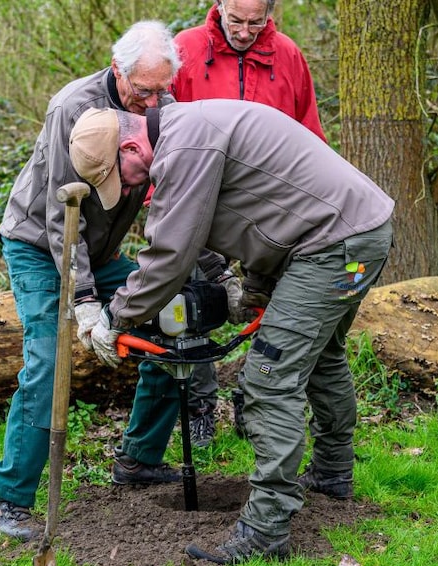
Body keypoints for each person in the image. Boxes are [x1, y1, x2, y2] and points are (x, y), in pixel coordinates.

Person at [68, 99, 394, 564]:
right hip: (352, 234)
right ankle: (332, 473)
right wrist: (257, 290)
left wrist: (114, 318)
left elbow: (170, 255)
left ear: (132, 145)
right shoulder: (193, 129)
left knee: (267, 376)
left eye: (124, 176)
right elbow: (268, 211)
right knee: (323, 357)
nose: (131, 187)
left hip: (333, 247)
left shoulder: (186, 145)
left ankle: (265, 532)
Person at [0, 21, 208, 542]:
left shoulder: (163, 108)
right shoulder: (73, 108)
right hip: (41, 246)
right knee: (49, 361)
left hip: (103, 249)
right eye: (143, 90)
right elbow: (62, 217)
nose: (153, 101)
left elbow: (181, 192)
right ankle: (10, 497)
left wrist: (201, 267)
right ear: (117, 70)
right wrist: (84, 300)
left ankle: (138, 459)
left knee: (168, 325)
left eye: (162, 90)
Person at [171, 0, 327, 448]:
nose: (243, 31)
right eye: (235, 21)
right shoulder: (185, 51)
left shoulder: (289, 56)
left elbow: (309, 135)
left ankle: (250, 395)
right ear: (217, 7)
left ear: (270, 14)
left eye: (254, 23)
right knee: (194, 309)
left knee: (272, 312)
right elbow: (158, 134)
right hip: (200, 207)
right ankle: (200, 405)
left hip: (273, 213)